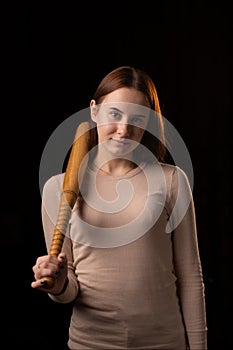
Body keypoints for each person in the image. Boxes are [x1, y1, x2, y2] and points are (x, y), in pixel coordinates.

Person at [31, 65, 208, 349]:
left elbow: (190, 278)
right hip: (90, 343)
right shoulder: (56, 189)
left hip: (164, 342)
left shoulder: (172, 180)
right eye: (114, 114)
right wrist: (58, 283)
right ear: (94, 110)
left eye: (138, 118)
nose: (124, 129)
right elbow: (69, 291)